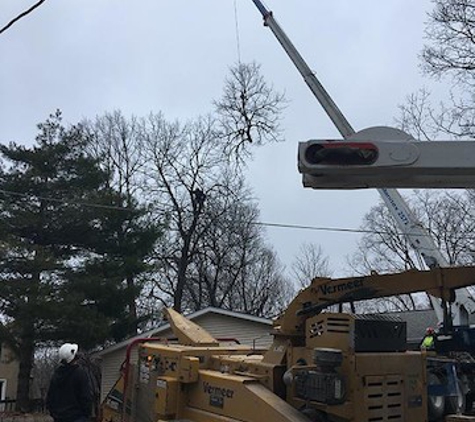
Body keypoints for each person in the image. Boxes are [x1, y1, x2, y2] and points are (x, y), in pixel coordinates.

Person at [46, 343, 93, 422]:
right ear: (74, 357)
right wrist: (87, 415)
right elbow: (86, 398)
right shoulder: (80, 374)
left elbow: (50, 399)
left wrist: (55, 414)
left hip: (59, 418)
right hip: (77, 417)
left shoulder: (56, 375)